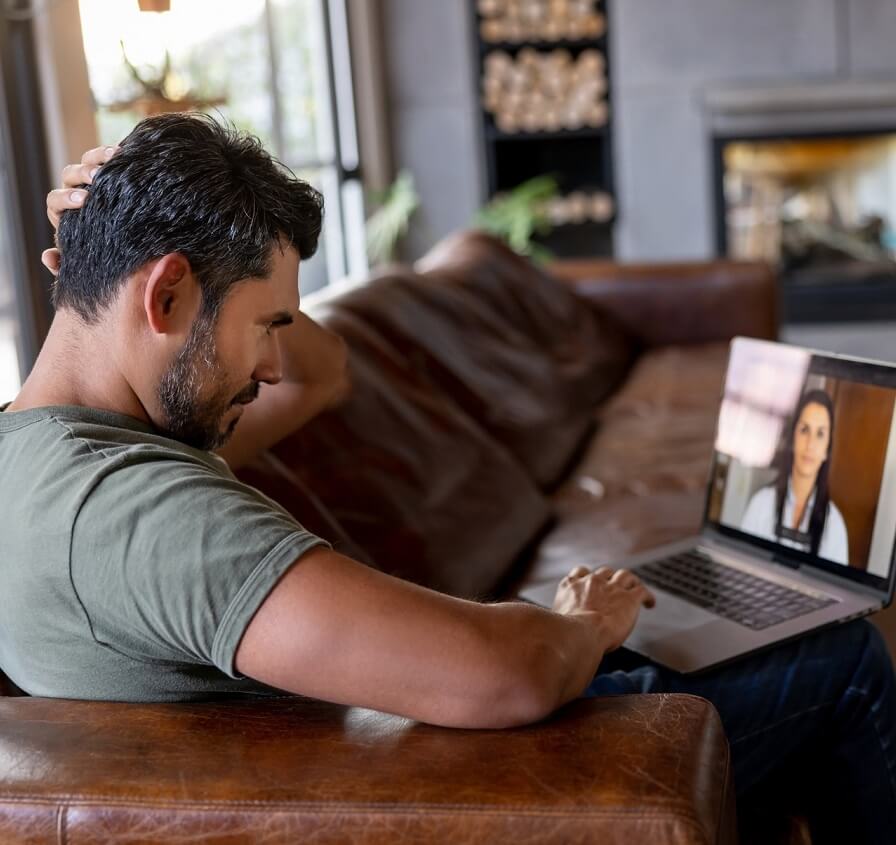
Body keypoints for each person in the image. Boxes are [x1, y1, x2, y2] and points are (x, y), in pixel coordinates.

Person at [4, 114, 895, 844]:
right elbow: (498, 678)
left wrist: (154, 239)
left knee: (711, 637)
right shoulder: (133, 512)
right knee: (850, 659)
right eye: (266, 324)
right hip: (470, 778)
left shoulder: (49, 454)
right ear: (164, 299)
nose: (273, 364)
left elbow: (325, 376)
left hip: (410, 743)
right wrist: (582, 624)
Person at [741, 389, 849, 564]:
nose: (810, 444)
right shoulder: (760, 505)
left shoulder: (835, 526)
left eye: (820, 434)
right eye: (804, 430)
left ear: (826, 451)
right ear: (793, 439)